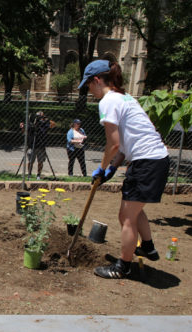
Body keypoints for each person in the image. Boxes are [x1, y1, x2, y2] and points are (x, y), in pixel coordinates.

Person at [78, 59, 170, 279]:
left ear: (97, 80)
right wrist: (113, 168)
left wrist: (102, 169)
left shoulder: (108, 101)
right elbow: (125, 144)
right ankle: (147, 247)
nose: (89, 91)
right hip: (154, 159)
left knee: (126, 216)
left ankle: (122, 267)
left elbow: (114, 144)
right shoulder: (124, 97)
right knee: (134, 211)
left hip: (146, 162)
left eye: (89, 85)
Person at [20, 111, 54, 179]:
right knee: (30, 161)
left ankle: (38, 175)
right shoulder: (31, 124)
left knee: (40, 162)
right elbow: (24, 132)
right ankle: (29, 174)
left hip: (41, 146)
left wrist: (46, 119)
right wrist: (22, 127)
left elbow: (53, 125)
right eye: (38, 117)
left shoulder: (44, 124)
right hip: (31, 145)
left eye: (41, 117)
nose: (40, 119)